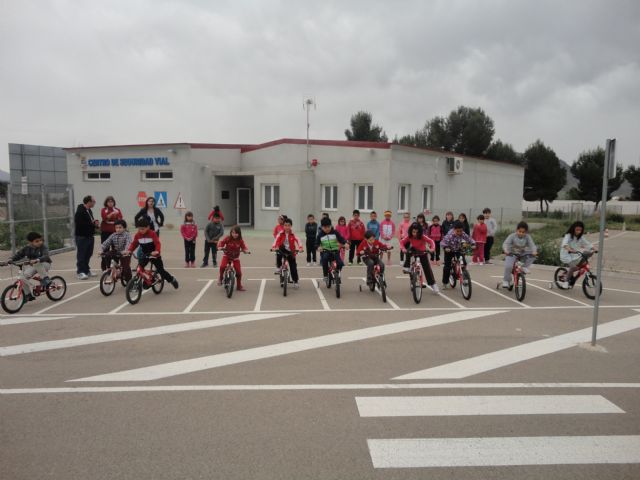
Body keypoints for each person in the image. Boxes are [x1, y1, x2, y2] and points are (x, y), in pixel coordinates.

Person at [126, 217, 179, 289]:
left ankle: (172, 279)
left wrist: (157, 251)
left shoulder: (152, 234)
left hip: (154, 255)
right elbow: (134, 244)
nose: (140, 231)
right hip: (145, 254)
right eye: (139, 229)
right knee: (140, 268)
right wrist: (129, 250)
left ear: (148, 227)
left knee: (161, 271)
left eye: (142, 229)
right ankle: (147, 280)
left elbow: (157, 243)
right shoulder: (138, 235)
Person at [0, 232, 52, 302]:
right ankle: (28, 295)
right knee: (22, 278)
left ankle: (46, 279)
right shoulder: (27, 248)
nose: (40, 242)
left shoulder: (43, 247)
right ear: (30, 242)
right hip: (33, 265)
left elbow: (46, 256)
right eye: (37, 241)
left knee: (37, 263)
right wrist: (10, 260)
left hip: (45, 264)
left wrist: (37, 259)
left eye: (40, 240)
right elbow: (18, 255)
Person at [401, 222, 438, 293]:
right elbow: (402, 242)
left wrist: (432, 249)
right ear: (411, 231)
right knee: (408, 251)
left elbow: (431, 241)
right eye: (413, 232)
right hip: (414, 251)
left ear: (420, 232)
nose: (415, 234)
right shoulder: (409, 236)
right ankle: (407, 267)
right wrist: (403, 249)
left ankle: (433, 284)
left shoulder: (422, 236)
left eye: (417, 232)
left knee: (427, 269)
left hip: (422, 252)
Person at [559, 221, 596, 288]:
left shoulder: (580, 237)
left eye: (580, 230)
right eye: (577, 230)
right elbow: (564, 244)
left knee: (587, 255)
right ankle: (566, 282)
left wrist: (593, 249)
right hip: (566, 255)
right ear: (573, 229)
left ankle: (569, 274)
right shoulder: (568, 236)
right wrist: (569, 249)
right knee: (573, 267)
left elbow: (587, 243)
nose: (578, 231)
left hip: (575, 254)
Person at [501, 221, 537, 288]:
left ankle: (524, 267)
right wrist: (506, 250)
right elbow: (505, 244)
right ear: (516, 230)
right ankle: (506, 280)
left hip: (522, 254)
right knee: (508, 266)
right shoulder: (512, 236)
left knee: (533, 256)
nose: (521, 233)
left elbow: (532, 245)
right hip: (512, 253)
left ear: (526, 232)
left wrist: (534, 251)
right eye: (519, 231)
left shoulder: (527, 237)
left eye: (523, 232)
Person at [441, 220, 476, 289]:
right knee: (447, 266)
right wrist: (446, 247)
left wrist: (473, 244)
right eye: (457, 231)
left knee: (463, 263)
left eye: (461, 231)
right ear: (454, 229)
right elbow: (443, 242)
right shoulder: (450, 235)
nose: (459, 233)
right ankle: (445, 282)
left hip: (458, 249)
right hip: (449, 250)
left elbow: (469, 239)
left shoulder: (462, 233)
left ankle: (465, 278)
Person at [271, 218, 304, 289]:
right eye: (285, 225)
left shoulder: (293, 234)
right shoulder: (280, 233)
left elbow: (298, 240)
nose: (287, 227)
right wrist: (274, 247)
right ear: (283, 226)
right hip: (282, 250)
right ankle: (278, 267)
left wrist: (300, 247)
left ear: (291, 226)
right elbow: (276, 240)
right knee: (278, 253)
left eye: (289, 225)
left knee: (293, 268)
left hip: (291, 252)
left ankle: (295, 281)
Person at [217, 226, 250, 291]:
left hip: (235, 258)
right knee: (222, 266)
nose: (234, 234)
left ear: (239, 233)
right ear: (231, 233)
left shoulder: (240, 240)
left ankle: (239, 286)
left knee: (239, 273)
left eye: (236, 233)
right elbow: (222, 243)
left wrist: (245, 250)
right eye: (233, 233)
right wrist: (220, 247)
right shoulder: (228, 238)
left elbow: (244, 247)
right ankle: (221, 278)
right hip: (227, 256)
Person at [74, 195, 99, 280]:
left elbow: (89, 221)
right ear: (89, 202)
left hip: (89, 236)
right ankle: (80, 272)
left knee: (88, 253)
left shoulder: (89, 210)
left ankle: (86, 270)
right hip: (82, 236)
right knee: (81, 254)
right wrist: (92, 224)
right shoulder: (80, 211)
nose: (94, 203)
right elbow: (80, 223)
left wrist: (94, 223)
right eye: (93, 201)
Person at [317, 217, 348, 283]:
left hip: (335, 251)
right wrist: (318, 247)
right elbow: (316, 243)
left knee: (340, 263)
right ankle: (325, 275)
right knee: (324, 259)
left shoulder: (335, 232)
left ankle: (337, 271)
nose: (327, 229)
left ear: (331, 226)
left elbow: (341, 239)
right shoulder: (320, 235)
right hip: (325, 251)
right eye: (325, 227)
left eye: (328, 227)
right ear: (322, 227)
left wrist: (345, 243)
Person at [99, 196, 123, 271]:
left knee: (115, 250)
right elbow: (105, 218)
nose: (110, 203)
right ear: (106, 203)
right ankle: (105, 267)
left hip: (115, 233)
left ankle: (115, 266)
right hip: (105, 232)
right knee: (105, 249)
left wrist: (112, 216)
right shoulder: (104, 210)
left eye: (112, 201)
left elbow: (120, 218)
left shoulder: (117, 210)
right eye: (109, 202)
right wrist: (112, 215)